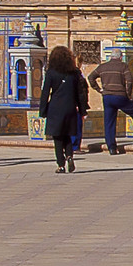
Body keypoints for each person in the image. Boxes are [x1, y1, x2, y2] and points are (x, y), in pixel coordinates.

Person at [38, 45, 91, 173]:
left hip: (55, 107)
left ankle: (61, 164)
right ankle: (69, 156)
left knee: (57, 137)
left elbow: (45, 92)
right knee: (67, 135)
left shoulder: (51, 73)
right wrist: (83, 110)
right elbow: (80, 93)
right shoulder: (74, 73)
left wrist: (43, 110)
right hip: (70, 107)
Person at [87, 50, 133, 152]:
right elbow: (129, 81)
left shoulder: (103, 67)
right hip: (120, 96)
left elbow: (90, 77)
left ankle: (111, 147)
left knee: (109, 121)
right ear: (120, 57)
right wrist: (128, 95)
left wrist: (99, 89)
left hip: (107, 97)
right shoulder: (123, 66)